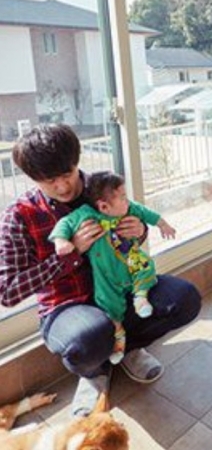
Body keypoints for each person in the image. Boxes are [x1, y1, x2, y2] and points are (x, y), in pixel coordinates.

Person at [0, 124, 201, 417]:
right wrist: (71, 255)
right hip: (66, 306)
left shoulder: (102, 188)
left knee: (185, 299)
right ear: (32, 178)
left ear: (76, 161)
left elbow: (133, 233)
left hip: (121, 288)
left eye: (67, 174)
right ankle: (94, 372)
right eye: (50, 181)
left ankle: (126, 348)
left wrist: (139, 231)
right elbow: (7, 291)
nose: (63, 187)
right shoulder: (19, 215)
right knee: (88, 339)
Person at [50, 171, 177, 365]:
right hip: (106, 276)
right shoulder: (86, 215)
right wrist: (61, 241)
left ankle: (140, 297)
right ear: (103, 206)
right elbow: (64, 224)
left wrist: (162, 225)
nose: (128, 201)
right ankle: (119, 340)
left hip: (131, 262)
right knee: (110, 305)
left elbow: (146, 213)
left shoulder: (128, 210)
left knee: (145, 267)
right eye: (123, 198)